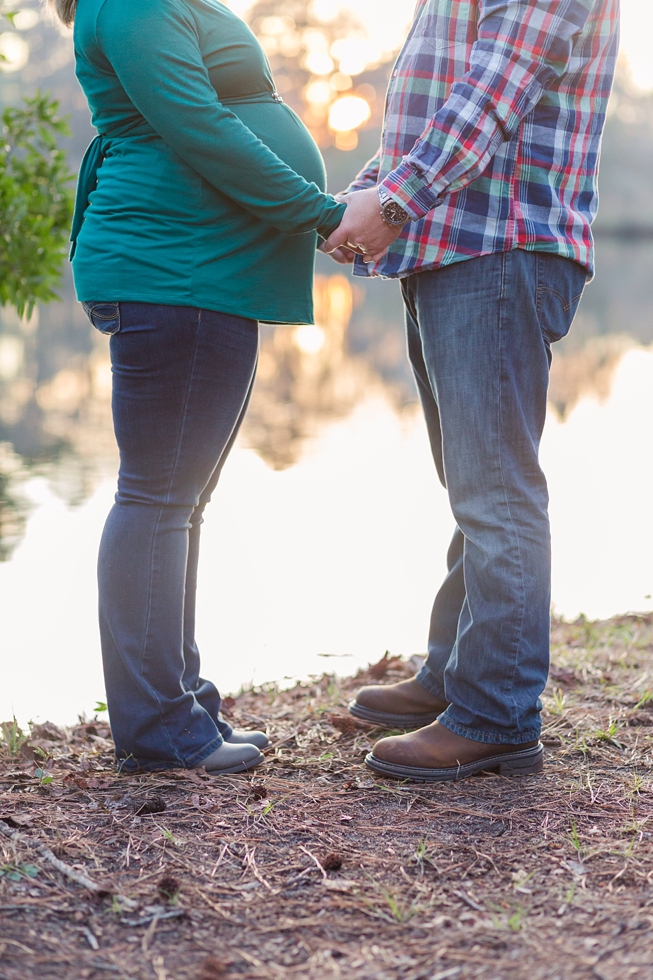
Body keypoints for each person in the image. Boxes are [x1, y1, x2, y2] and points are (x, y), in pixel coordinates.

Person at [52, 0, 369, 776]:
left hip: (201, 266)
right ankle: (161, 731)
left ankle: (183, 707)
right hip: (178, 266)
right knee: (158, 499)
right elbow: (198, 125)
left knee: (177, 501)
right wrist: (320, 213)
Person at [325, 0, 620, 782]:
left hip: (498, 244)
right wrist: (363, 195)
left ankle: (495, 714)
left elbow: (492, 93)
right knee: (471, 484)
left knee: (495, 492)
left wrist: (390, 205)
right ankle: (456, 671)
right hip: (452, 242)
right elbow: (431, 106)